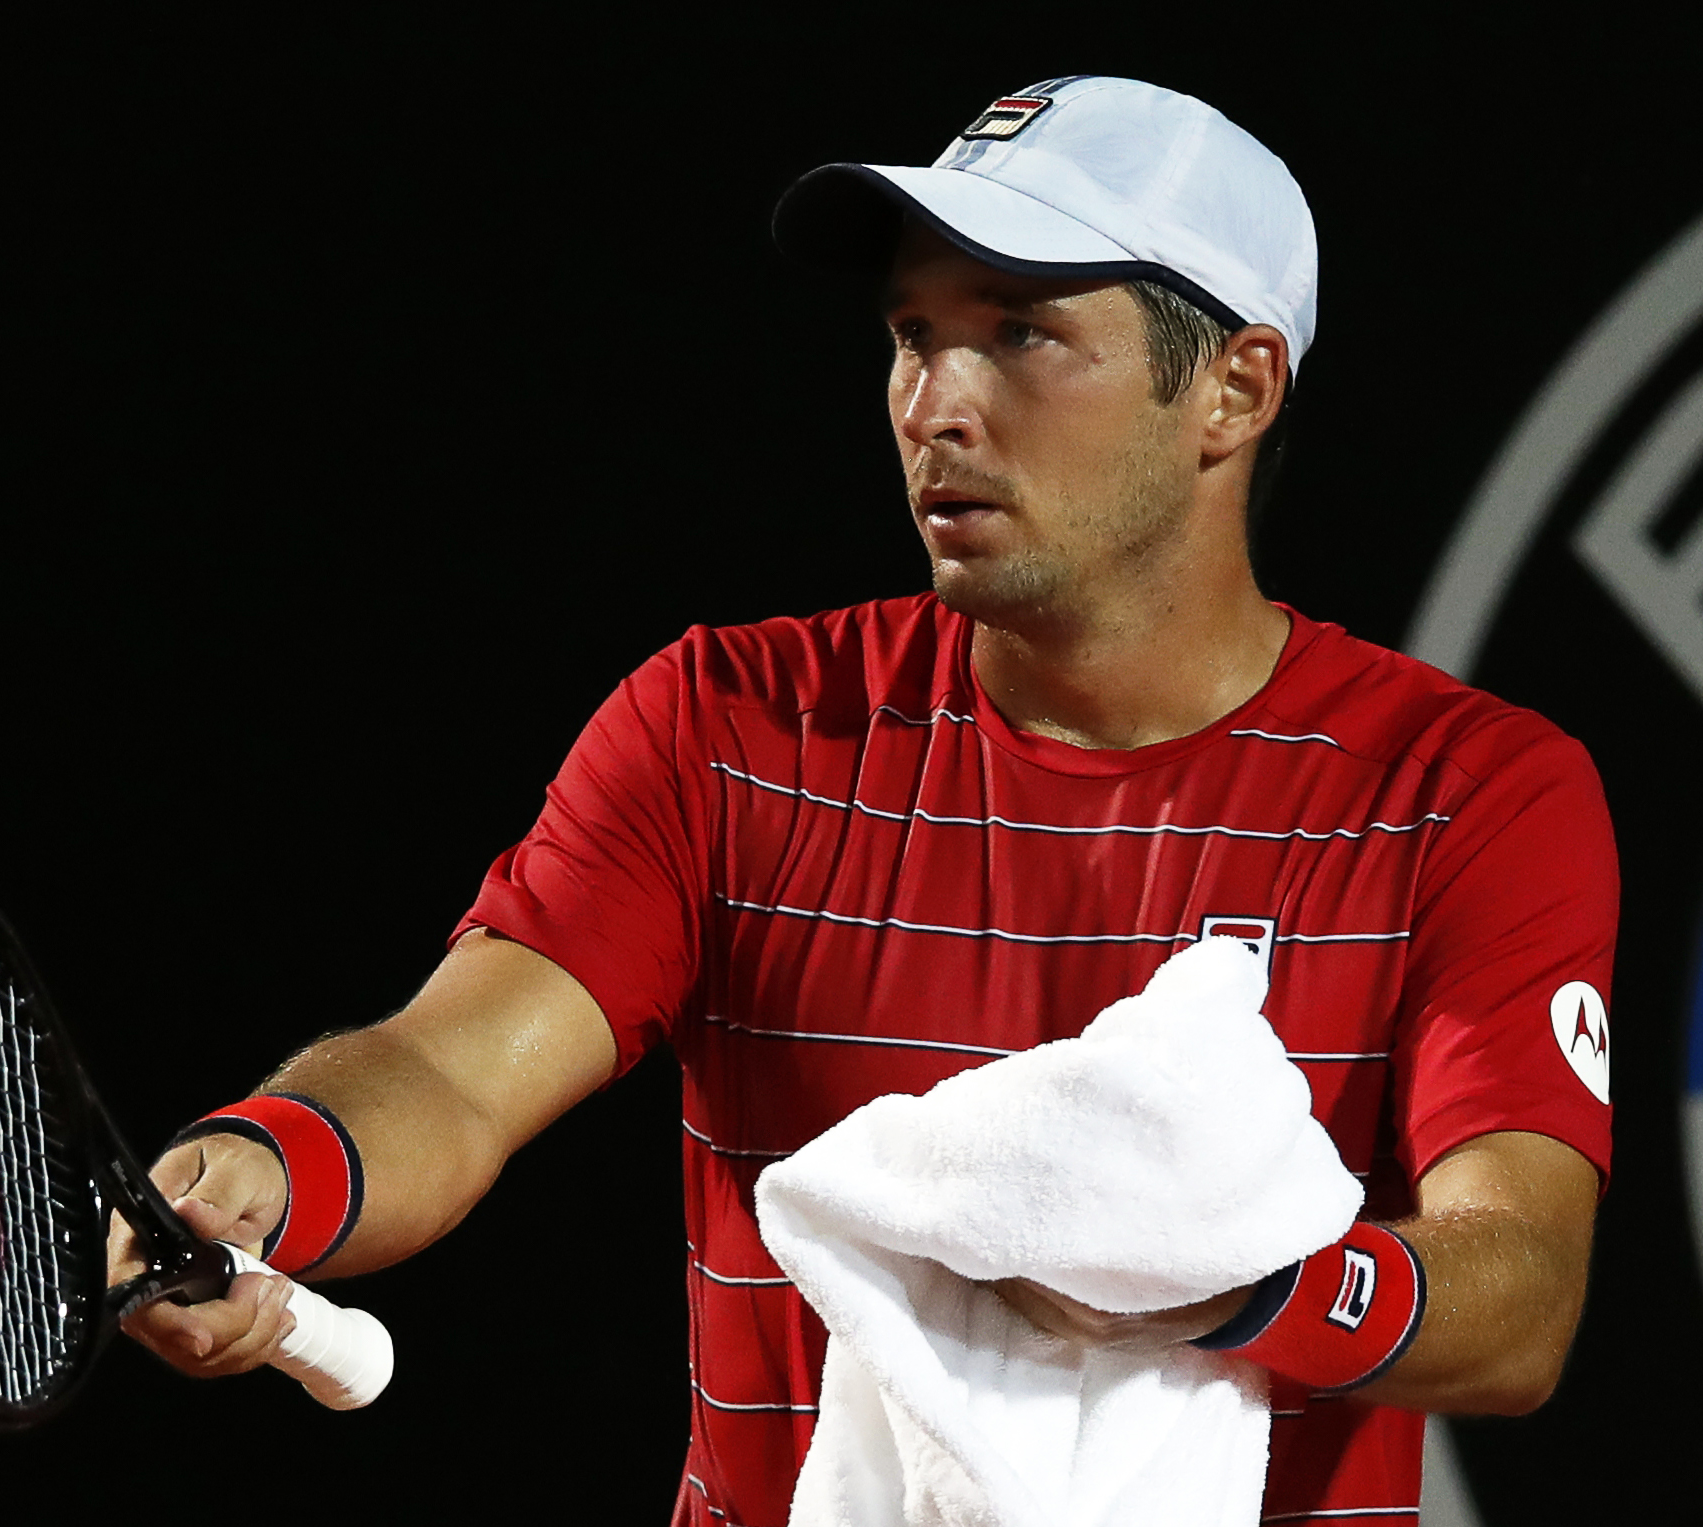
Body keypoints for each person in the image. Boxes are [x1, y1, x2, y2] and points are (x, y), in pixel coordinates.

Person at [112, 76, 1615, 1525]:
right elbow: (446, 1077)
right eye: (913, 334)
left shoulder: (1468, 792)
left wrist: (1225, 1281)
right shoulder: (726, 726)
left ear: (1233, 388)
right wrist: (266, 1168)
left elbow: (1517, 1295)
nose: (934, 406)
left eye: (1021, 334)